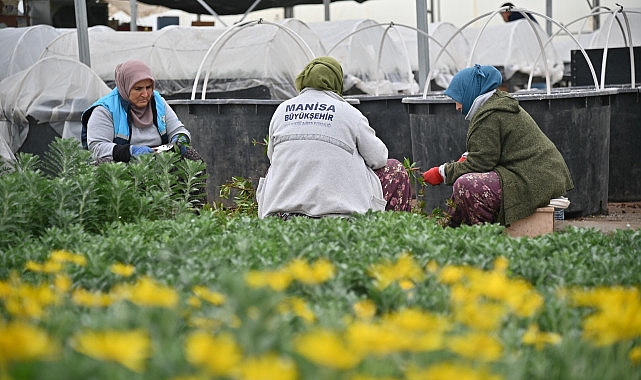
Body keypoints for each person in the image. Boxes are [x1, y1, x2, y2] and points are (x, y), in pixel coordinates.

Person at [256, 56, 412, 220]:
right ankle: (390, 237)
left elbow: (272, 157)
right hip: (337, 216)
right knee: (394, 169)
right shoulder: (349, 112)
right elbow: (378, 158)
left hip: (280, 214)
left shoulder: (282, 110)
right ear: (336, 81)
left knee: (274, 168)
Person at [421, 64, 573, 227]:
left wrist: (441, 172)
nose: (457, 107)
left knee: (467, 185)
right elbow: (490, 149)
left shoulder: (489, 115)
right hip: (542, 174)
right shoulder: (496, 105)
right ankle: (452, 230)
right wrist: (466, 159)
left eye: (457, 99)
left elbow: (481, 163)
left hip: (535, 178)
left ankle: (483, 235)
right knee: (467, 181)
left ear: (469, 92)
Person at [81, 59, 202, 165]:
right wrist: (131, 151)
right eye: (138, 89)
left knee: (191, 156)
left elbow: (179, 130)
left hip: (159, 162)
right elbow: (97, 147)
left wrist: (179, 140)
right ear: (125, 87)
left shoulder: (158, 102)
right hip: (122, 165)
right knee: (102, 165)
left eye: (148, 87)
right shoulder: (105, 109)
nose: (145, 94)